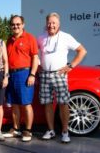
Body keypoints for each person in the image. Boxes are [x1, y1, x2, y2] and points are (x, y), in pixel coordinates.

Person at [37, 12, 87, 143]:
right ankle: (51, 130)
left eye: (54, 23)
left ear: (58, 24)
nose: (51, 25)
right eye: (49, 23)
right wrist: (37, 65)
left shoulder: (66, 37)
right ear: (46, 24)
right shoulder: (41, 38)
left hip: (60, 74)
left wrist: (71, 66)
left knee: (63, 103)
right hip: (45, 75)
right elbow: (34, 54)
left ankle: (65, 132)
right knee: (47, 104)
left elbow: (82, 51)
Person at [3, 15, 39, 142]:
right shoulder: (9, 40)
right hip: (12, 75)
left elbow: (35, 57)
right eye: (13, 24)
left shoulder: (30, 38)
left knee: (26, 104)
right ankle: (16, 129)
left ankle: (28, 131)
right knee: (14, 104)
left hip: (25, 74)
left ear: (23, 25)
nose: (15, 26)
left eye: (18, 24)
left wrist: (32, 74)